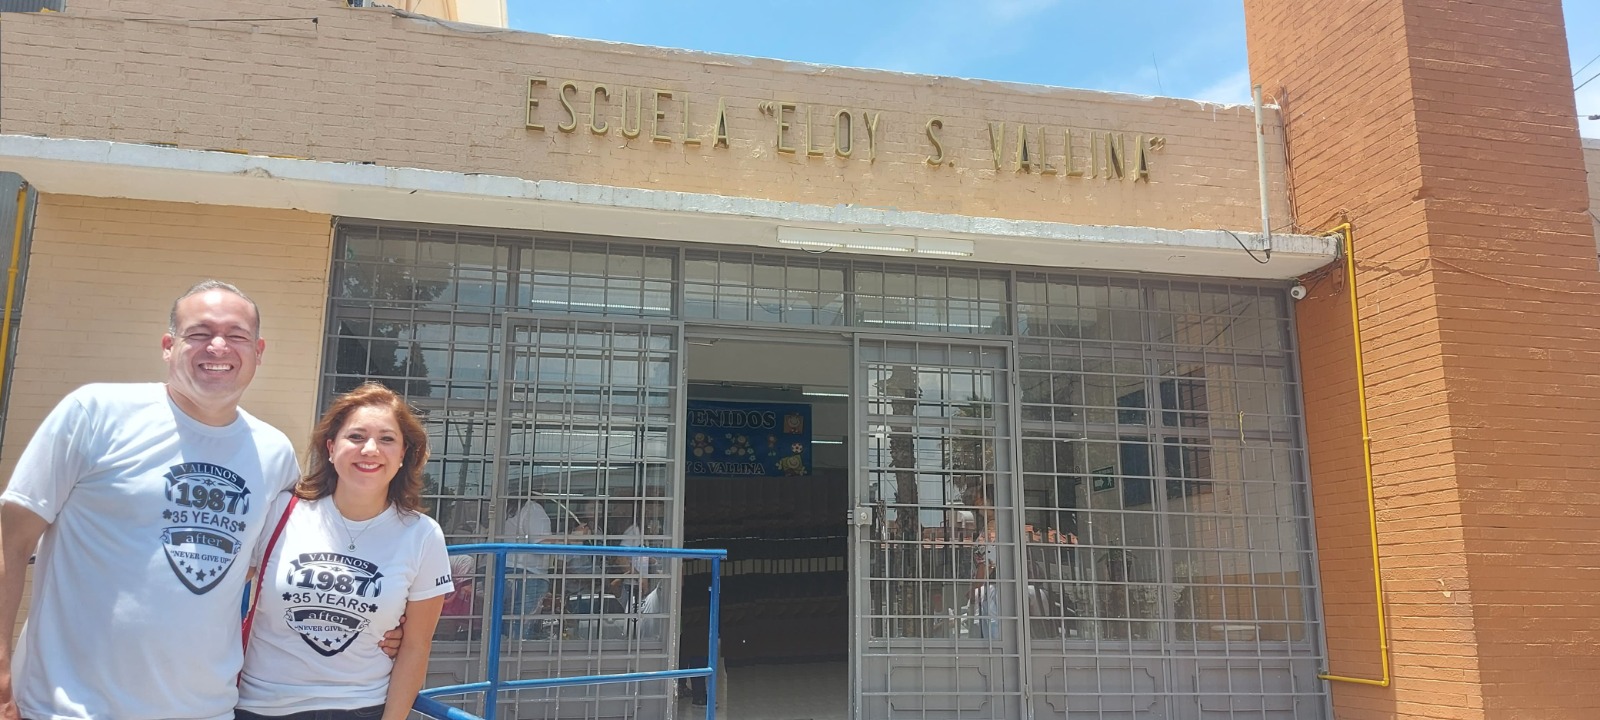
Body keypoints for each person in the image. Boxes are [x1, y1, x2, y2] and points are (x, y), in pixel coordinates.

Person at [0, 281, 338, 720]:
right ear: (168, 346)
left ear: (258, 351)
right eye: (199, 333)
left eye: (236, 335)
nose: (218, 346)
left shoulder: (274, 454)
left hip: (206, 709)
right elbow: (10, 544)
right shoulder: (95, 413)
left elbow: (275, 571)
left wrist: (392, 623)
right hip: (67, 707)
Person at [236, 382, 452, 720]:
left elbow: (416, 646)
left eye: (387, 439)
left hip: (360, 708)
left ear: (403, 455)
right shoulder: (279, 511)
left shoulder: (422, 535)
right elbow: (218, 595)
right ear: (331, 447)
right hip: (260, 706)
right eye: (356, 436)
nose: (370, 449)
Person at [503, 495, 554, 639]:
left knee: (507, 622)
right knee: (523, 627)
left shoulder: (506, 509)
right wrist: (573, 538)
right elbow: (542, 544)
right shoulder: (533, 508)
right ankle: (518, 651)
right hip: (528, 573)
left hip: (505, 568)